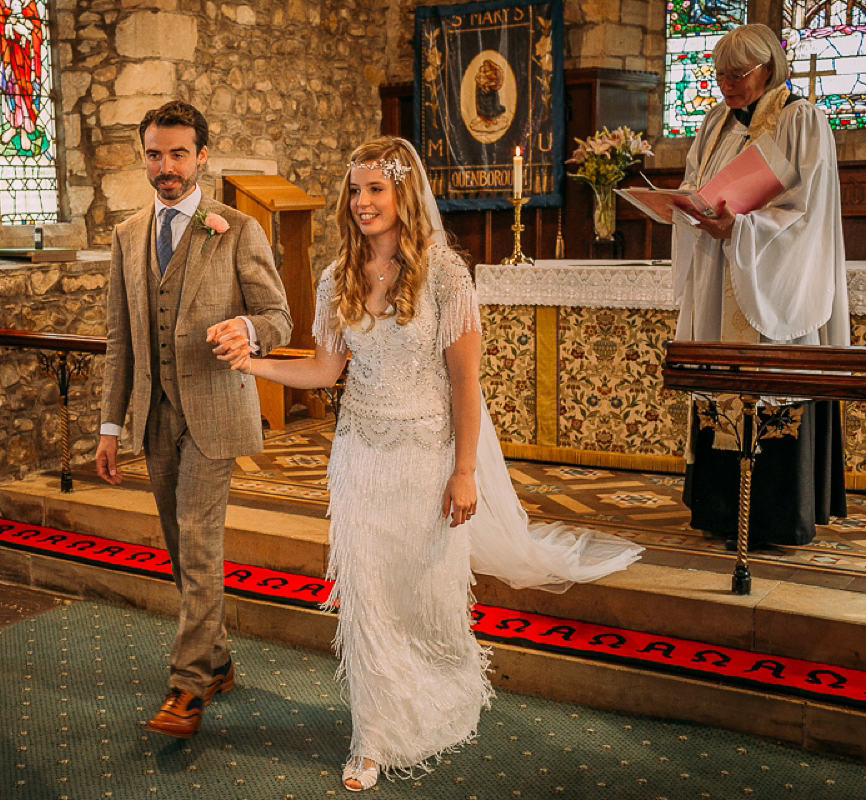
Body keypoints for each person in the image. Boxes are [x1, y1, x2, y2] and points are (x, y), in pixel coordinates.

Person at [222, 137, 643, 791]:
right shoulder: (337, 278)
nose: (361, 202)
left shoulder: (446, 274)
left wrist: (465, 470)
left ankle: (441, 697)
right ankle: (373, 736)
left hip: (427, 456)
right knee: (367, 595)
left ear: (403, 195)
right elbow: (324, 368)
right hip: (360, 454)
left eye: (375, 190)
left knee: (423, 592)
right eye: (354, 190)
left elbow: (465, 385)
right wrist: (255, 364)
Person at [96, 100, 292, 738]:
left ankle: (187, 687)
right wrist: (108, 427)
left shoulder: (236, 228)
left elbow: (280, 318)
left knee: (201, 546)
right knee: (181, 550)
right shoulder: (127, 237)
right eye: (154, 153)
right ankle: (219, 656)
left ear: (202, 155)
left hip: (212, 415)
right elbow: (121, 341)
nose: (165, 166)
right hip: (154, 417)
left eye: (178, 153)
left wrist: (248, 329)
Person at [671, 24, 849, 548]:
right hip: (718, 270)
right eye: (720, 74)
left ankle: (774, 516)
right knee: (721, 386)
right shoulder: (714, 122)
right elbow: (695, 181)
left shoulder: (801, 120)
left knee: (770, 387)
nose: (727, 85)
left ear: (768, 67)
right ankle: (722, 508)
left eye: (737, 75)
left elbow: (805, 210)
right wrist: (684, 205)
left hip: (773, 277)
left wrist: (744, 228)